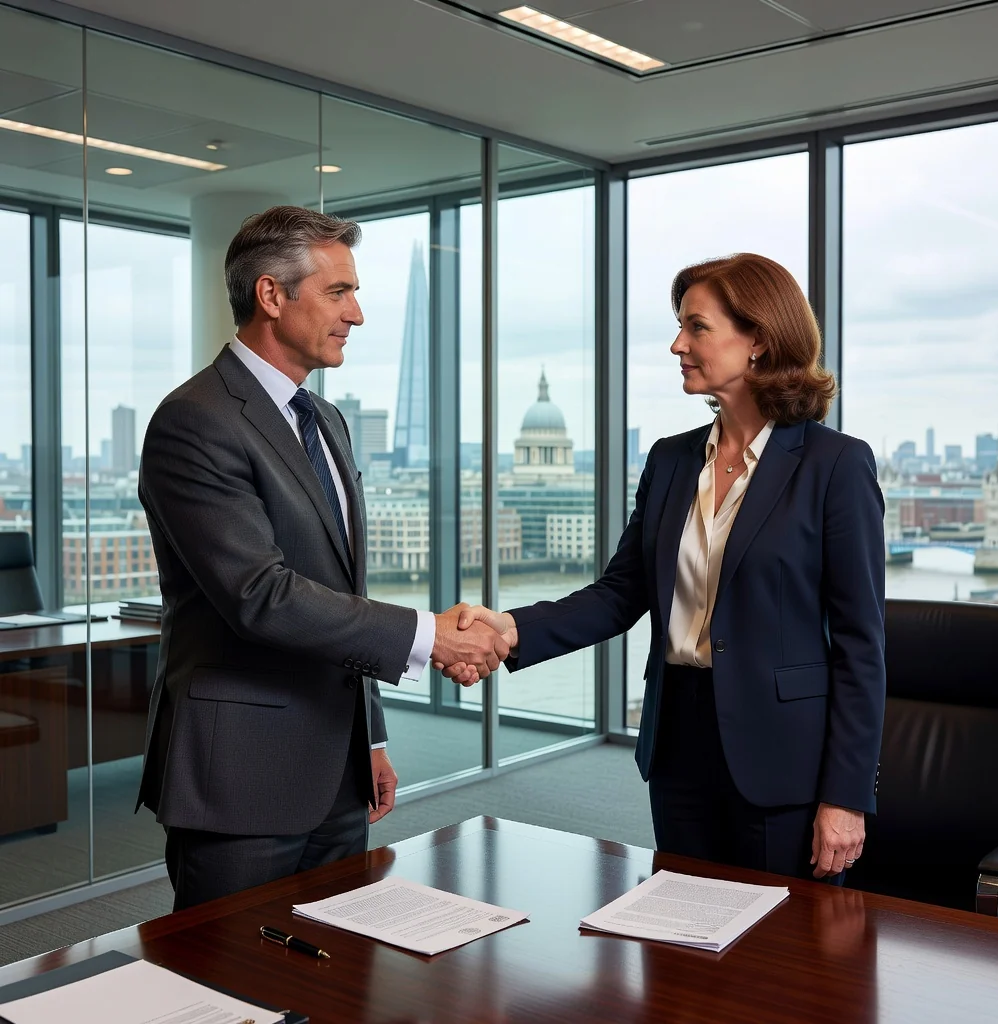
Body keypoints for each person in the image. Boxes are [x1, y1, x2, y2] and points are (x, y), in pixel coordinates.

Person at [447, 253, 885, 882]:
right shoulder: (673, 460)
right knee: (681, 938)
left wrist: (847, 796)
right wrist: (509, 629)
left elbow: (860, 644)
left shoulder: (834, 466)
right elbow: (621, 593)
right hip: (678, 739)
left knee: (783, 957)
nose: (678, 344)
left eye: (696, 327)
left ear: (758, 339)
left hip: (784, 756)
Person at [137, 206, 505, 910]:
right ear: (272, 295)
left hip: (337, 768)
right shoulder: (196, 420)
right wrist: (431, 635)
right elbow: (261, 595)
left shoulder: (324, 419)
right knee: (233, 987)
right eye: (339, 292)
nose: (357, 314)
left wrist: (370, 736)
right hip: (239, 775)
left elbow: (338, 588)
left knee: (332, 976)